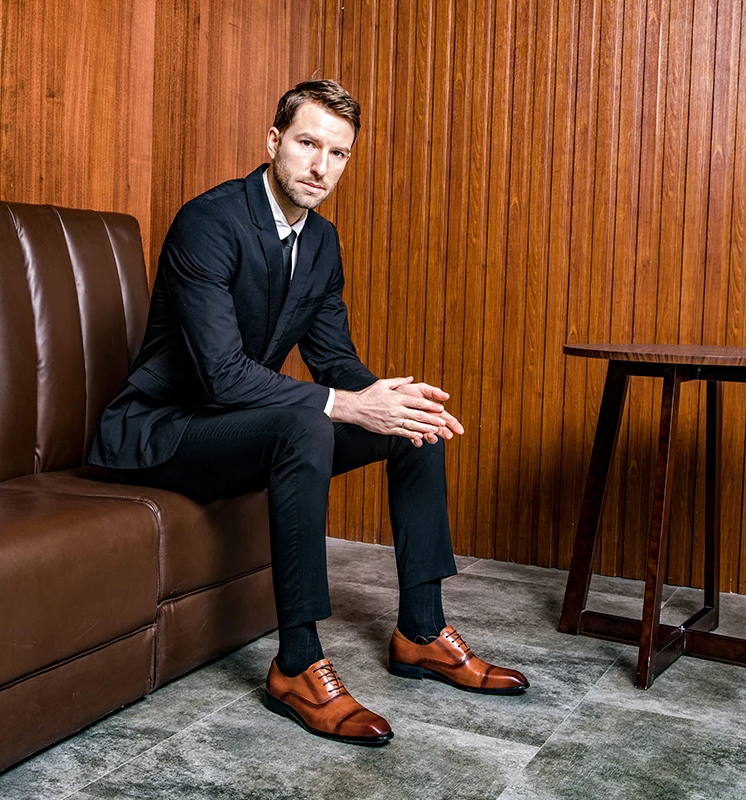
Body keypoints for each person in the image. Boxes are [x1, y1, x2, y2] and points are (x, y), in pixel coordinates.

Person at [89, 79, 528, 747]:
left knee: (412, 426)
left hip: (241, 427)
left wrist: (386, 399)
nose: (321, 166)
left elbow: (334, 360)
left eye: (338, 153)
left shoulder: (321, 241)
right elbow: (221, 374)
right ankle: (296, 664)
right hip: (161, 430)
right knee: (307, 421)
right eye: (307, 144)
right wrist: (348, 404)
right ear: (274, 142)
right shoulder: (208, 222)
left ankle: (421, 631)